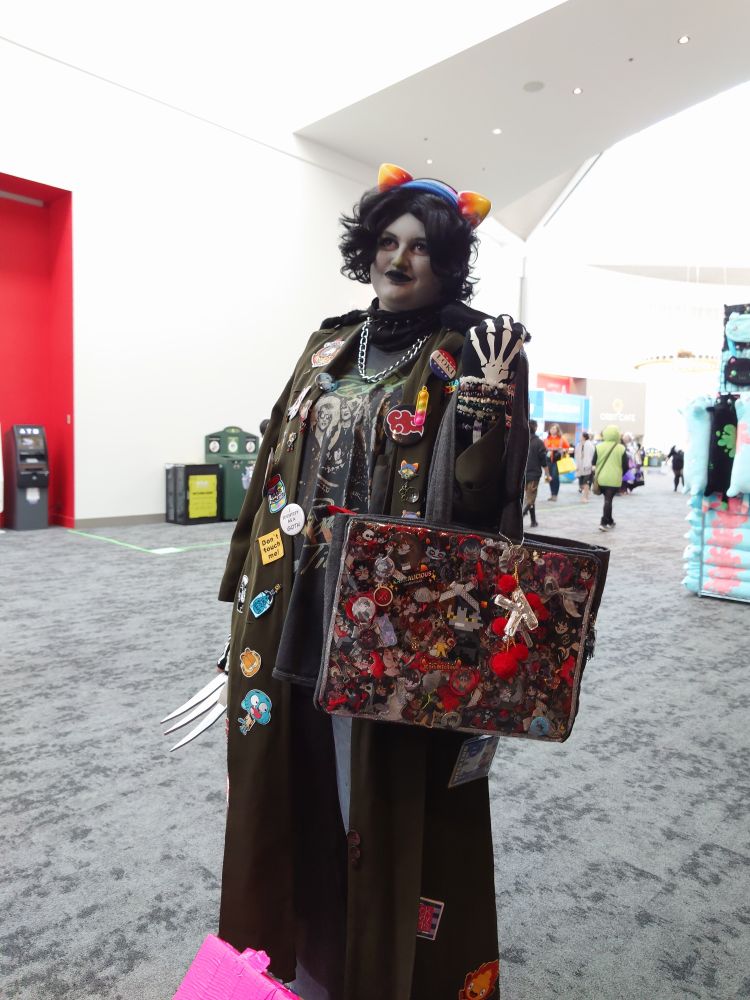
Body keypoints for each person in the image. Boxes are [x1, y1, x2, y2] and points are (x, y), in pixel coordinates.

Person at [214, 163, 529, 1000]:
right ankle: (304, 960)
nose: (400, 259)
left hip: (393, 621)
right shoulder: (327, 345)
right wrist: (240, 599)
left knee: (381, 795)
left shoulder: (473, 347)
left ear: (449, 258)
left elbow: (482, 506)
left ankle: (386, 971)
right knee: (291, 781)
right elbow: (274, 468)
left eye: (422, 247)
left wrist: (489, 411)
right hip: (291, 609)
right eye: (387, 242)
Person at [592, 425, 628, 531]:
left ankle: (610, 520)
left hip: (601, 478)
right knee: (608, 500)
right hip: (614, 479)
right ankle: (603, 522)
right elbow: (626, 466)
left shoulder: (599, 447)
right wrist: (619, 473)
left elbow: (593, 463)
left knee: (608, 500)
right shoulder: (621, 448)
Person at [523, 419, 548, 526]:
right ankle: (520, 517)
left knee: (529, 497)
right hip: (534, 475)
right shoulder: (539, 443)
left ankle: (533, 521)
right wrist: (548, 474)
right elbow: (543, 460)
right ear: (536, 428)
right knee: (530, 499)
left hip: (522, 475)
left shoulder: (522, 441)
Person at [543, 423, 570, 501]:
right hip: (548, 461)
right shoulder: (546, 439)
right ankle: (552, 494)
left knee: (555, 477)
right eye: (551, 428)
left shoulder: (562, 439)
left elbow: (568, 449)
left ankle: (555, 494)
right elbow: (543, 449)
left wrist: (562, 450)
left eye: (554, 428)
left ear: (558, 430)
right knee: (549, 477)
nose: (552, 430)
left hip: (557, 461)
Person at [574, 431, 595, 502]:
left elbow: (590, 456)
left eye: (580, 436)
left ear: (584, 437)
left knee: (586, 483)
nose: (579, 437)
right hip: (580, 467)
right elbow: (577, 456)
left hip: (587, 467)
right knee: (582, 484)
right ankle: (586, 495)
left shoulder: (589, 445)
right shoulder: (578, 445)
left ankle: (585, 497)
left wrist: (589, 465)